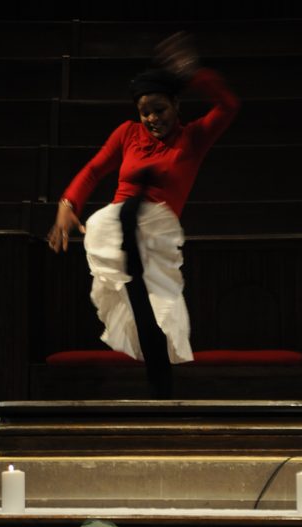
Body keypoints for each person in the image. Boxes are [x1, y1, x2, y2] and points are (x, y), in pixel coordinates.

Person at [48, 32, 240, 398]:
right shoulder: (128, 133)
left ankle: (161, 383)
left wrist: (194, 72)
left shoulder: (194, 137)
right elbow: (93, 170)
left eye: (160, 109)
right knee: (125, 245)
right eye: (145, 111)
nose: (152, 118)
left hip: (158, 231)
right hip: (121, 222)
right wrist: (67, 205)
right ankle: (126, 221)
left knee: (160, 318)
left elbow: (229, 105)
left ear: (176, 105)